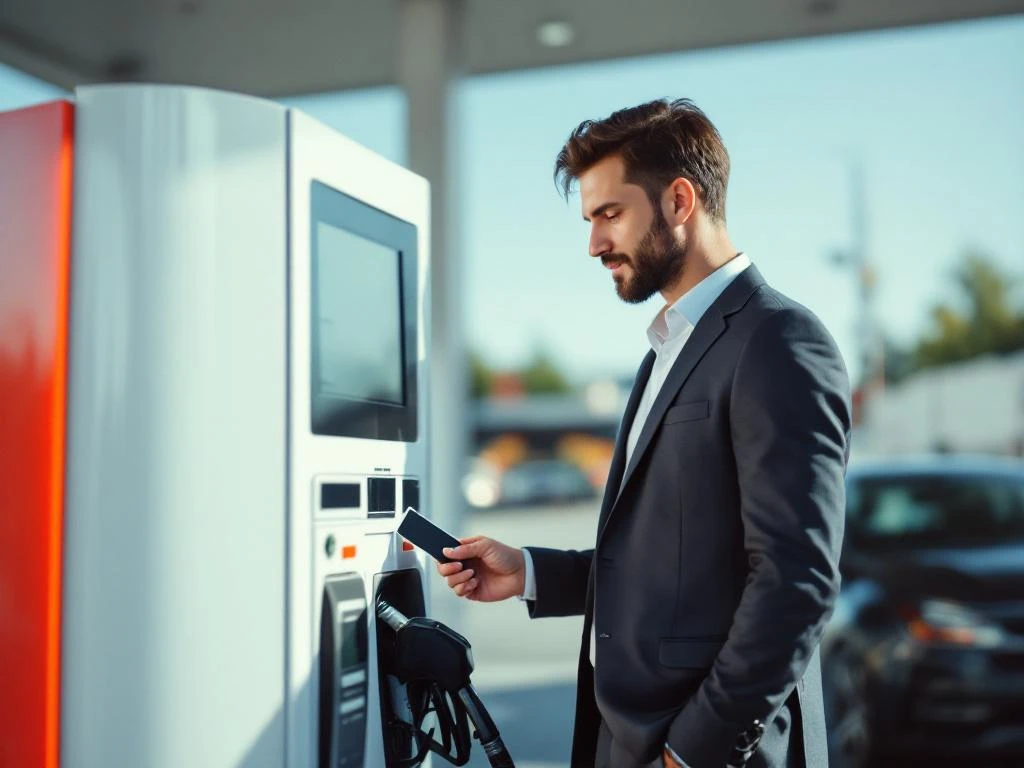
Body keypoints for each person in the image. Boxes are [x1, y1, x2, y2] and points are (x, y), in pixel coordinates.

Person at [438, 99, 851, 768]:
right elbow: (672, 559)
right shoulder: (666, 350)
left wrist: (691, 752)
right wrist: (531, 572)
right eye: (591, 220)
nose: (595, 244)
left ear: (680, 200)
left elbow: (794, 581)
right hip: (624, 736)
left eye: (610, 214)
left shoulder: (778, 341)